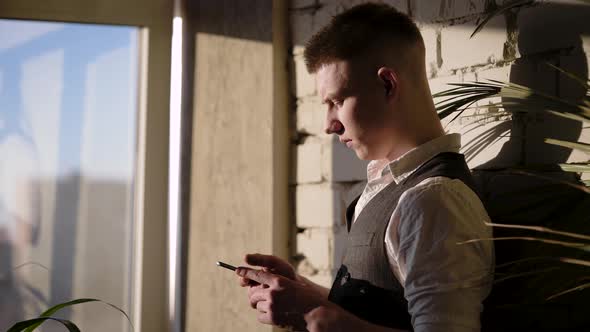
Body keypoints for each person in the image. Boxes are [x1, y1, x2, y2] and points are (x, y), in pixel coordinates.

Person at [236, 3, 494, 332]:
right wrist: (301, 293)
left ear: (388, 84)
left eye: (337, 102)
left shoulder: (433, 201)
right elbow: (378, 309)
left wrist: (317, 318)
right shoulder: (388, 183)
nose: (329, 125)